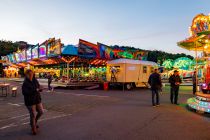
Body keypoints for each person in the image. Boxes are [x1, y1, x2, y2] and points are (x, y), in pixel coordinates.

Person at [22, 70, 43, 135]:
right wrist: (35, 90)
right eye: (30, 74)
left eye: (32, 74)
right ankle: (33, 128)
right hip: (30, 101)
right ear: (27, 75)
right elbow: (25, 93)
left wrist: (40, 88)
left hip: (37, 99)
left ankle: (34, 122)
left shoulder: (35, 80)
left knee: (41, 112)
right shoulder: (25, 83)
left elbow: (38, 86)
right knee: (33, 114)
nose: (31, 75)